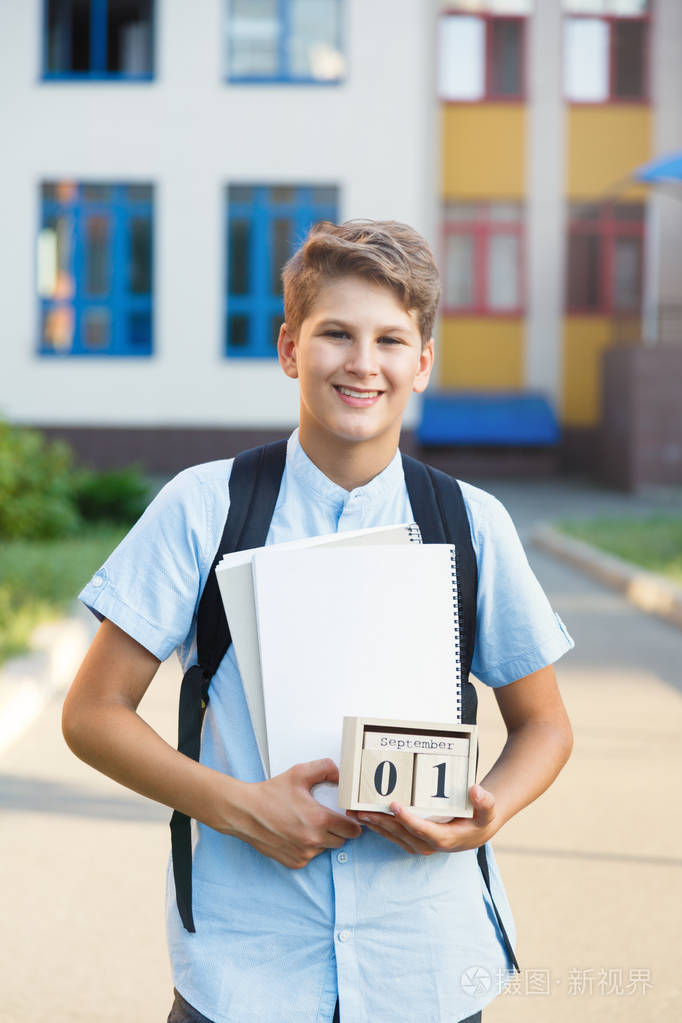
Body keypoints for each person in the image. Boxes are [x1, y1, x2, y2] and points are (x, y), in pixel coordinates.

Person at [62, 219, 574, 1023]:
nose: (363, 362)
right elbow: (92, 713)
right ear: (289, 348)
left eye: (390, 339)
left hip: (425, 967)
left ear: (423, 362)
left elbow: (545, 725)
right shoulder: (204, 507)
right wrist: (242, 808)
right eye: (336, 333)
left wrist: (486, 815)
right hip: (246, 973)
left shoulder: (472, 522)